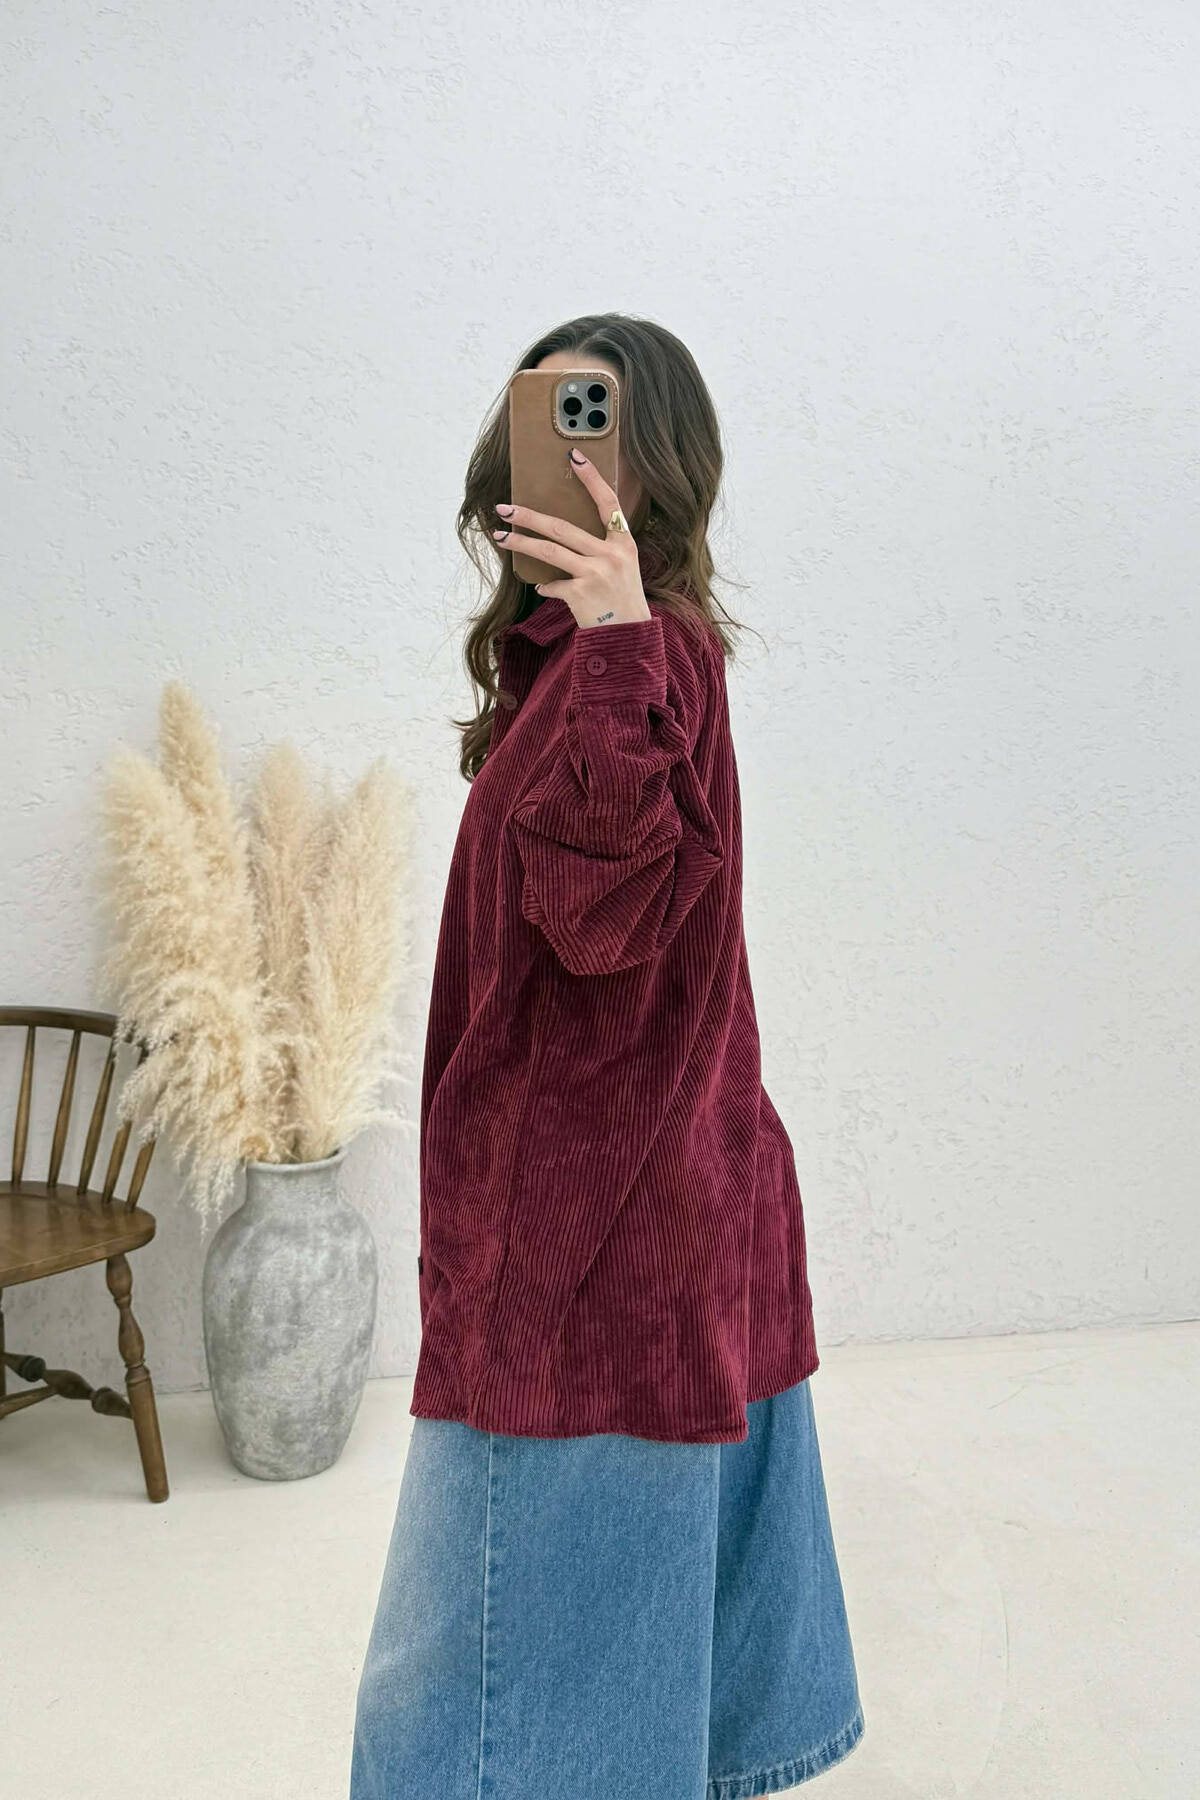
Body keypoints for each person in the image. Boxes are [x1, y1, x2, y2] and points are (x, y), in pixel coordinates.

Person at [349, 313, 865, 1799]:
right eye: (557, 426)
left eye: (608, 435)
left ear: (663, 472)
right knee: (587, 1638)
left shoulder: (642, 658)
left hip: (584, 1236)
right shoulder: (609, 657)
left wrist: (620, 641)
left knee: (454, 1703)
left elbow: (603, 921)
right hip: (667, 1193)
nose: (577, 469)